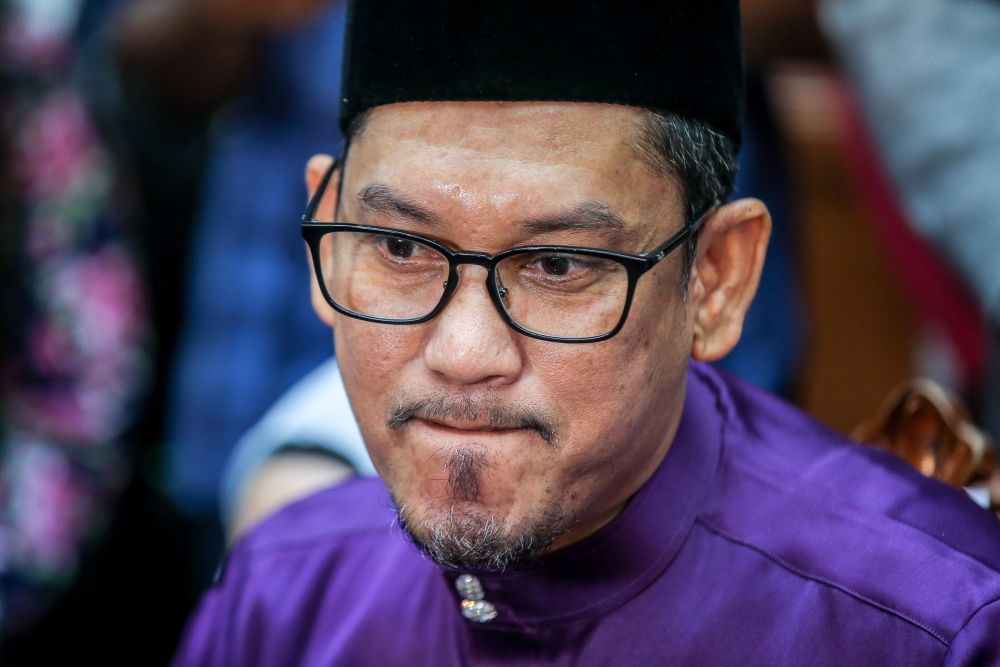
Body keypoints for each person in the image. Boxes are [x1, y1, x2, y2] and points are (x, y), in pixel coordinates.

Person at [174, 1, 1000, 664]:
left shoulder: (921, 626)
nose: (463, 354)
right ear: (328, 226)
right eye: (400, 248)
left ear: (716, 278)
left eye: (560, 266)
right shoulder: (285, 594)